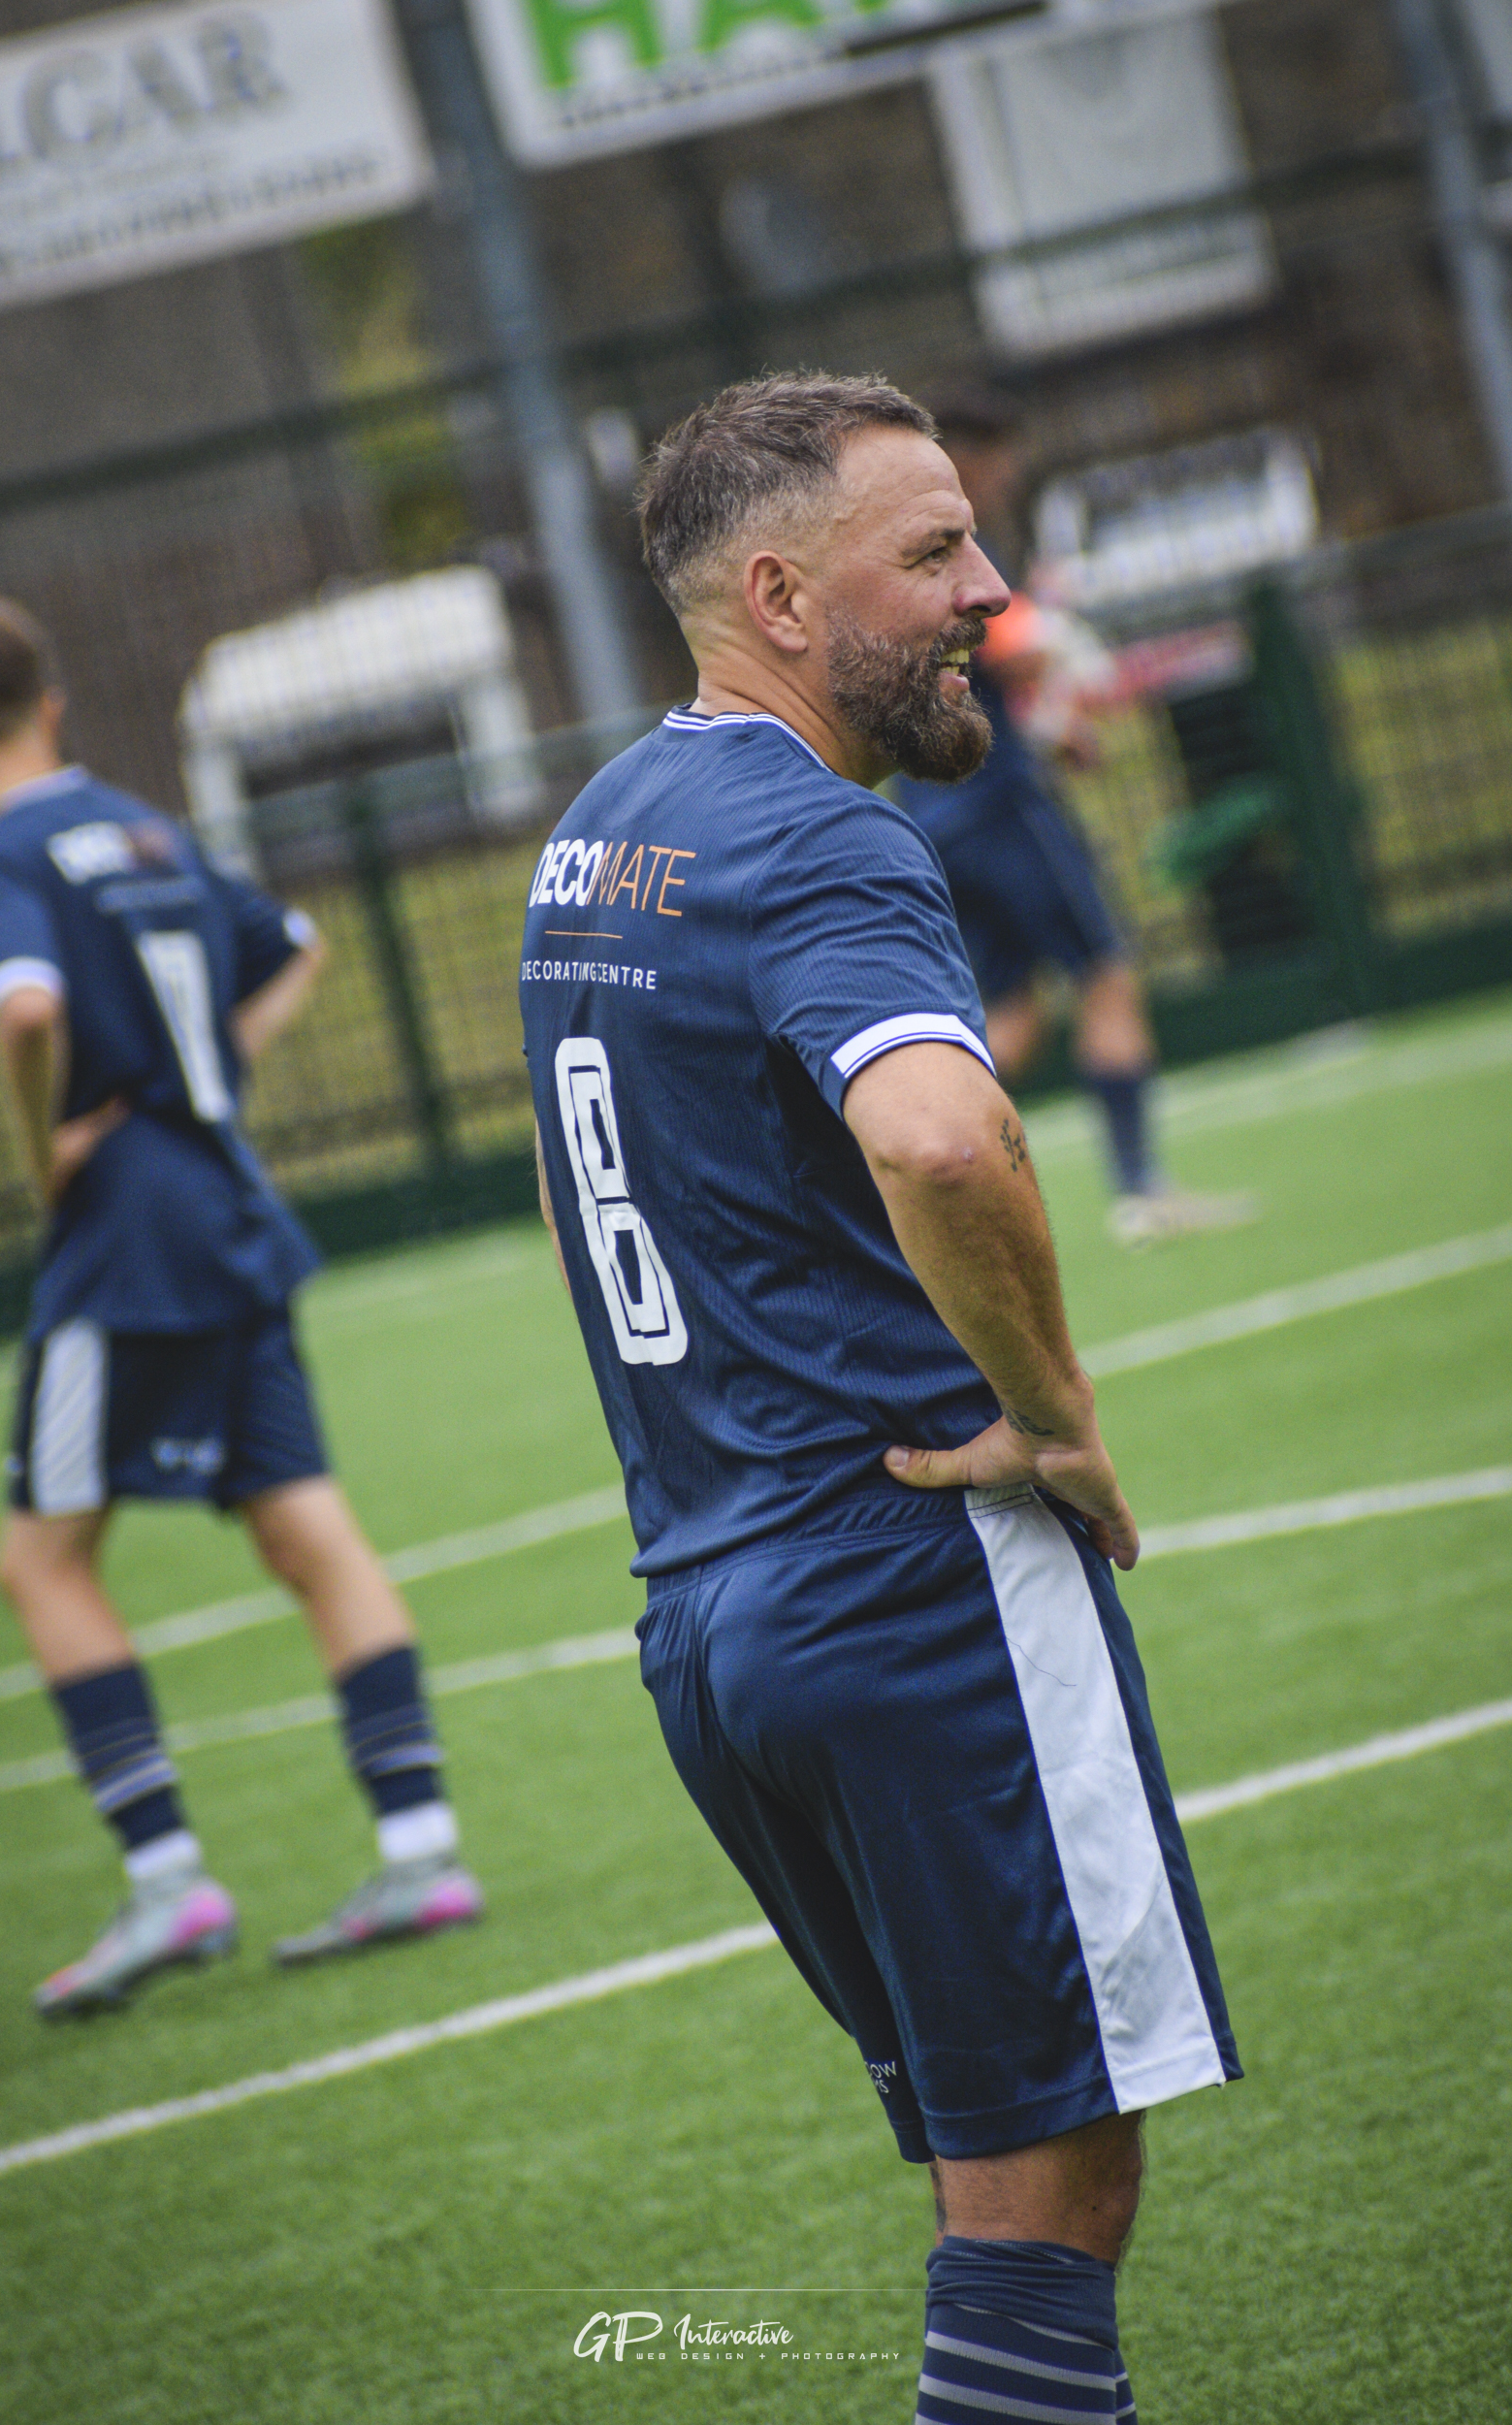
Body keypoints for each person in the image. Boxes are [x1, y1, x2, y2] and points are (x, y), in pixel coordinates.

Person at [521, 375, 1239, 2421]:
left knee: (980, 2169)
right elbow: (932, 1135)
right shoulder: (814, 833)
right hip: (909, 1580)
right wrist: (1056, 1410)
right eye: (927, 553)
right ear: (771, 591)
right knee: (1051, 2180)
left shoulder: (599, 833)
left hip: (710, 1617)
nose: (986, 592)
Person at [0, 596, 482, 2018]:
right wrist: (209, 1072)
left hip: (128, 1239)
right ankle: (420, 1848)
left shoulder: (4, 855)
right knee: (304, 1527)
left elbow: (26, 1011)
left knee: (40, 1566)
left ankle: (167, 1883)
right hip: (230, 1207)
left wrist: (46, 1151)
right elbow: (293, 948)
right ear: (50, 703)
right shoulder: (146, 829)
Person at [895, 383, 1255, 1245]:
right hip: (1002, 810)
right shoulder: (959, 553)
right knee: (1105, 974)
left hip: (932, 820)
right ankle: (1140, 1189)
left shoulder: (900, 558)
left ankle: (902, 1202)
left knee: (1008, 1013)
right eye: (1003, 459)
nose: (1012, 476)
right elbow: (1020, 652)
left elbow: (982, 684)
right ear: (971, 459)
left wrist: (1053, 719)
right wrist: (1072, 675)